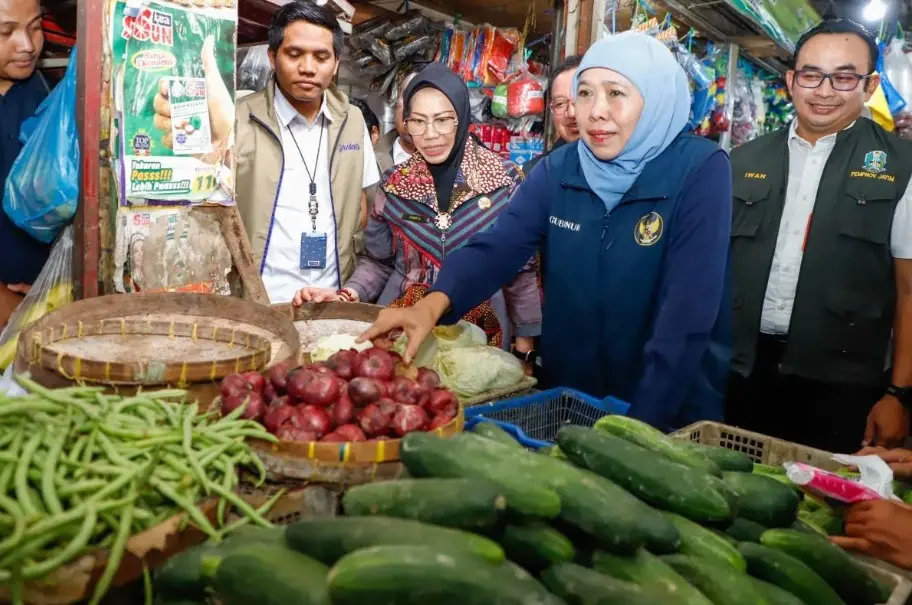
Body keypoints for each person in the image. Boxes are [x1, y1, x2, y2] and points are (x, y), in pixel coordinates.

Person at [358, 32, 733, 431]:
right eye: (584, 93)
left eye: (616, 93)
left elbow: (688, 313)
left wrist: (642, 427)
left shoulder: (700, 169)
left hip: (664, 400)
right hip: (571, 394)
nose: (595, 112)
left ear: (655, 97)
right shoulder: (560, 169)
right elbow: (497, 248)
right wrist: (429, 307)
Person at [725, 19, 912, 453]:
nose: (824, 90)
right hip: (743, 372)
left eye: (844, 76)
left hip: (843, 385)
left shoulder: (901, 168)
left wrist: (899, 394)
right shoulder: (742, 159)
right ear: (791, 81)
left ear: (869, 86)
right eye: (811, 74)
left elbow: (908, 291)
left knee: (822, 508)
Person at [293, 63, 541, 354]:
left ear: (461, 118)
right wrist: (348, 294)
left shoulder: (504, 179)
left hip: (480, 332)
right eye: (418, 121)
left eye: (442, 120)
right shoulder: (395, 183)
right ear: (405, 123)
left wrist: (525, 348)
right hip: (401, 328)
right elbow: (378, 261)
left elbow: (521, 270)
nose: (430, 134)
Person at [234, 0, 379, 304]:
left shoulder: (352, 120)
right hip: (261, 298)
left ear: (336, 63)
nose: (308, 68)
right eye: (294, 54)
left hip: (330, 296)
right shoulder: (239, 118)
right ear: (273, 57)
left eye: (321, 56)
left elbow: (362, 207)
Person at [0, 0, 50, 328]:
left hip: (38, 299)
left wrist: (49, 294)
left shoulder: (40, 91)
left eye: (35, 27)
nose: (28, 45)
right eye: (6, 32)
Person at [523, 55, 582, 175]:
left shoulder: (626, 171)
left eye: (580, 99)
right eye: (560, 103)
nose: (571, 113)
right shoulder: (535, 174)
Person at [378, 68, 422, 167]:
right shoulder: (370, 158)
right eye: (408, 98)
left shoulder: (451, 166)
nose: (414, 109)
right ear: (397, 103)